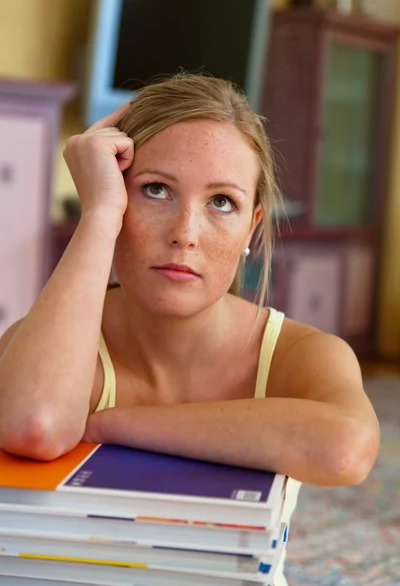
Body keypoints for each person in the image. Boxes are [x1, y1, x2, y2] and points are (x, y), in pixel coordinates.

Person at [0, 73, 379, 585]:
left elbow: (345, 450)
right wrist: (98, 215)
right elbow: (34, 425)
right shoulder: (51, 345)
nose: (185, 235)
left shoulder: (303, 354)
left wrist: (111, 425)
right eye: (155, 190)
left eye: (221, 202)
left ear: (251, 227)